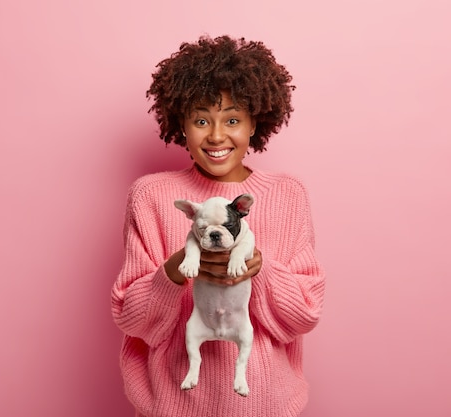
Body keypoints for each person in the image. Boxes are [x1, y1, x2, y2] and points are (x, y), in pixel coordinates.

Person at [111, 35, 325, 417]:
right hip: (174, 405)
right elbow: (130, 318)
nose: (215, 135)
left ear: (254, 122)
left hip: (266, 405)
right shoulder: (151, 195)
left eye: (231, 119)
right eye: (201, 119)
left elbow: (304, 315)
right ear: (181, 123)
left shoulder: (288, 194)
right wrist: (176, 270)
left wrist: (258, 269)